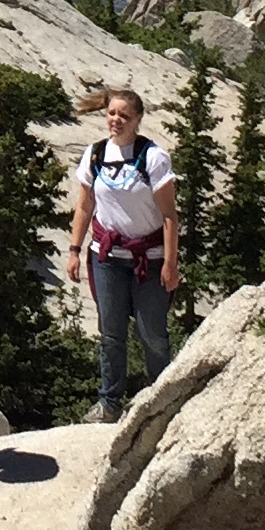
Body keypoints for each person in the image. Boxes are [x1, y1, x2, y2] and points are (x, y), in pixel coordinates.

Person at [63, 85, 179, 421]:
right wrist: (74, 250)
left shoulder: (153, 158)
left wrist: (170, 264)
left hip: (150, 260)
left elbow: (170, 216)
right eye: (112, 113)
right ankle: (109, 403)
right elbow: (85, 206)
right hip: (107, 259)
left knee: (152, 334)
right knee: (111, 334)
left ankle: (162, 400)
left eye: (124, 116)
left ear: (138, 119)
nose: (116, 120)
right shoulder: (95, 154)